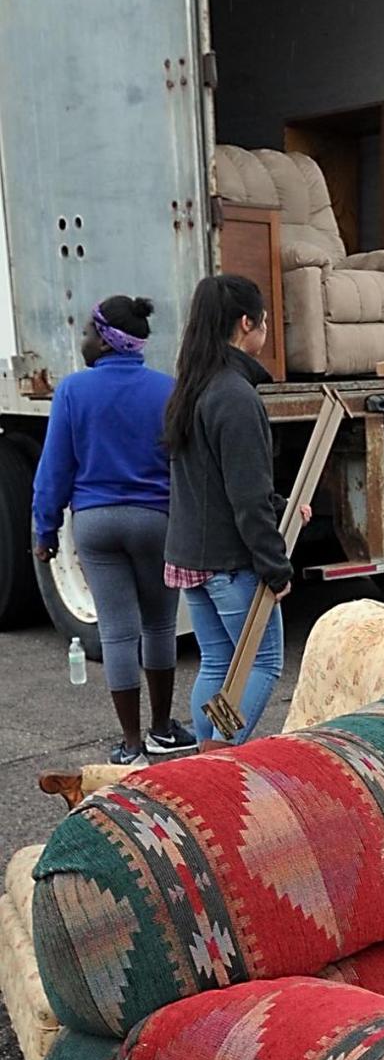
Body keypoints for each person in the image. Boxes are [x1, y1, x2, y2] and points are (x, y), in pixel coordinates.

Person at [32, 295, 194, 766]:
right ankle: (163, 729)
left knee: (119, 633)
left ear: (106, 338)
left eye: (87, 332)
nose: (83, 339)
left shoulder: (73, 392)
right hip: (155, 521)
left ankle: (130, 746)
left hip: (96, 523)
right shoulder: (168, 390)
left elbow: (53, 470)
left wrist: (44, 533)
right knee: (160, 625)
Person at [163, 275, 297, 747]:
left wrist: (278, 508)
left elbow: (211, 482)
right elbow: (246, 496)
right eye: (264, 322)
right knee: (263, 663)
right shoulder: (236, 396)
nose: (266, 331)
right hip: (229, 562)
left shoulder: (193, 386)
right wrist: (276, 568)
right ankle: (221, 761)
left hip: (190, 557)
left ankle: (203, 764)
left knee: (218, 663)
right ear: (247, 324)